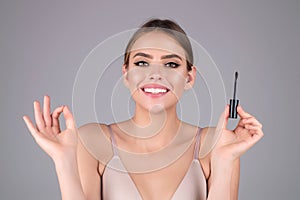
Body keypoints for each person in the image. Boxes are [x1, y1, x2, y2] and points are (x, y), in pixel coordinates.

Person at [23, 18, 264, 200]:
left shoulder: (217, 144)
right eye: (142, 62)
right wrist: (63, 161)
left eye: (171, 64)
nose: (155, 74)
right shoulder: (92, 140)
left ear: (189, 77)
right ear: (126, 73)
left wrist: (225, 160)